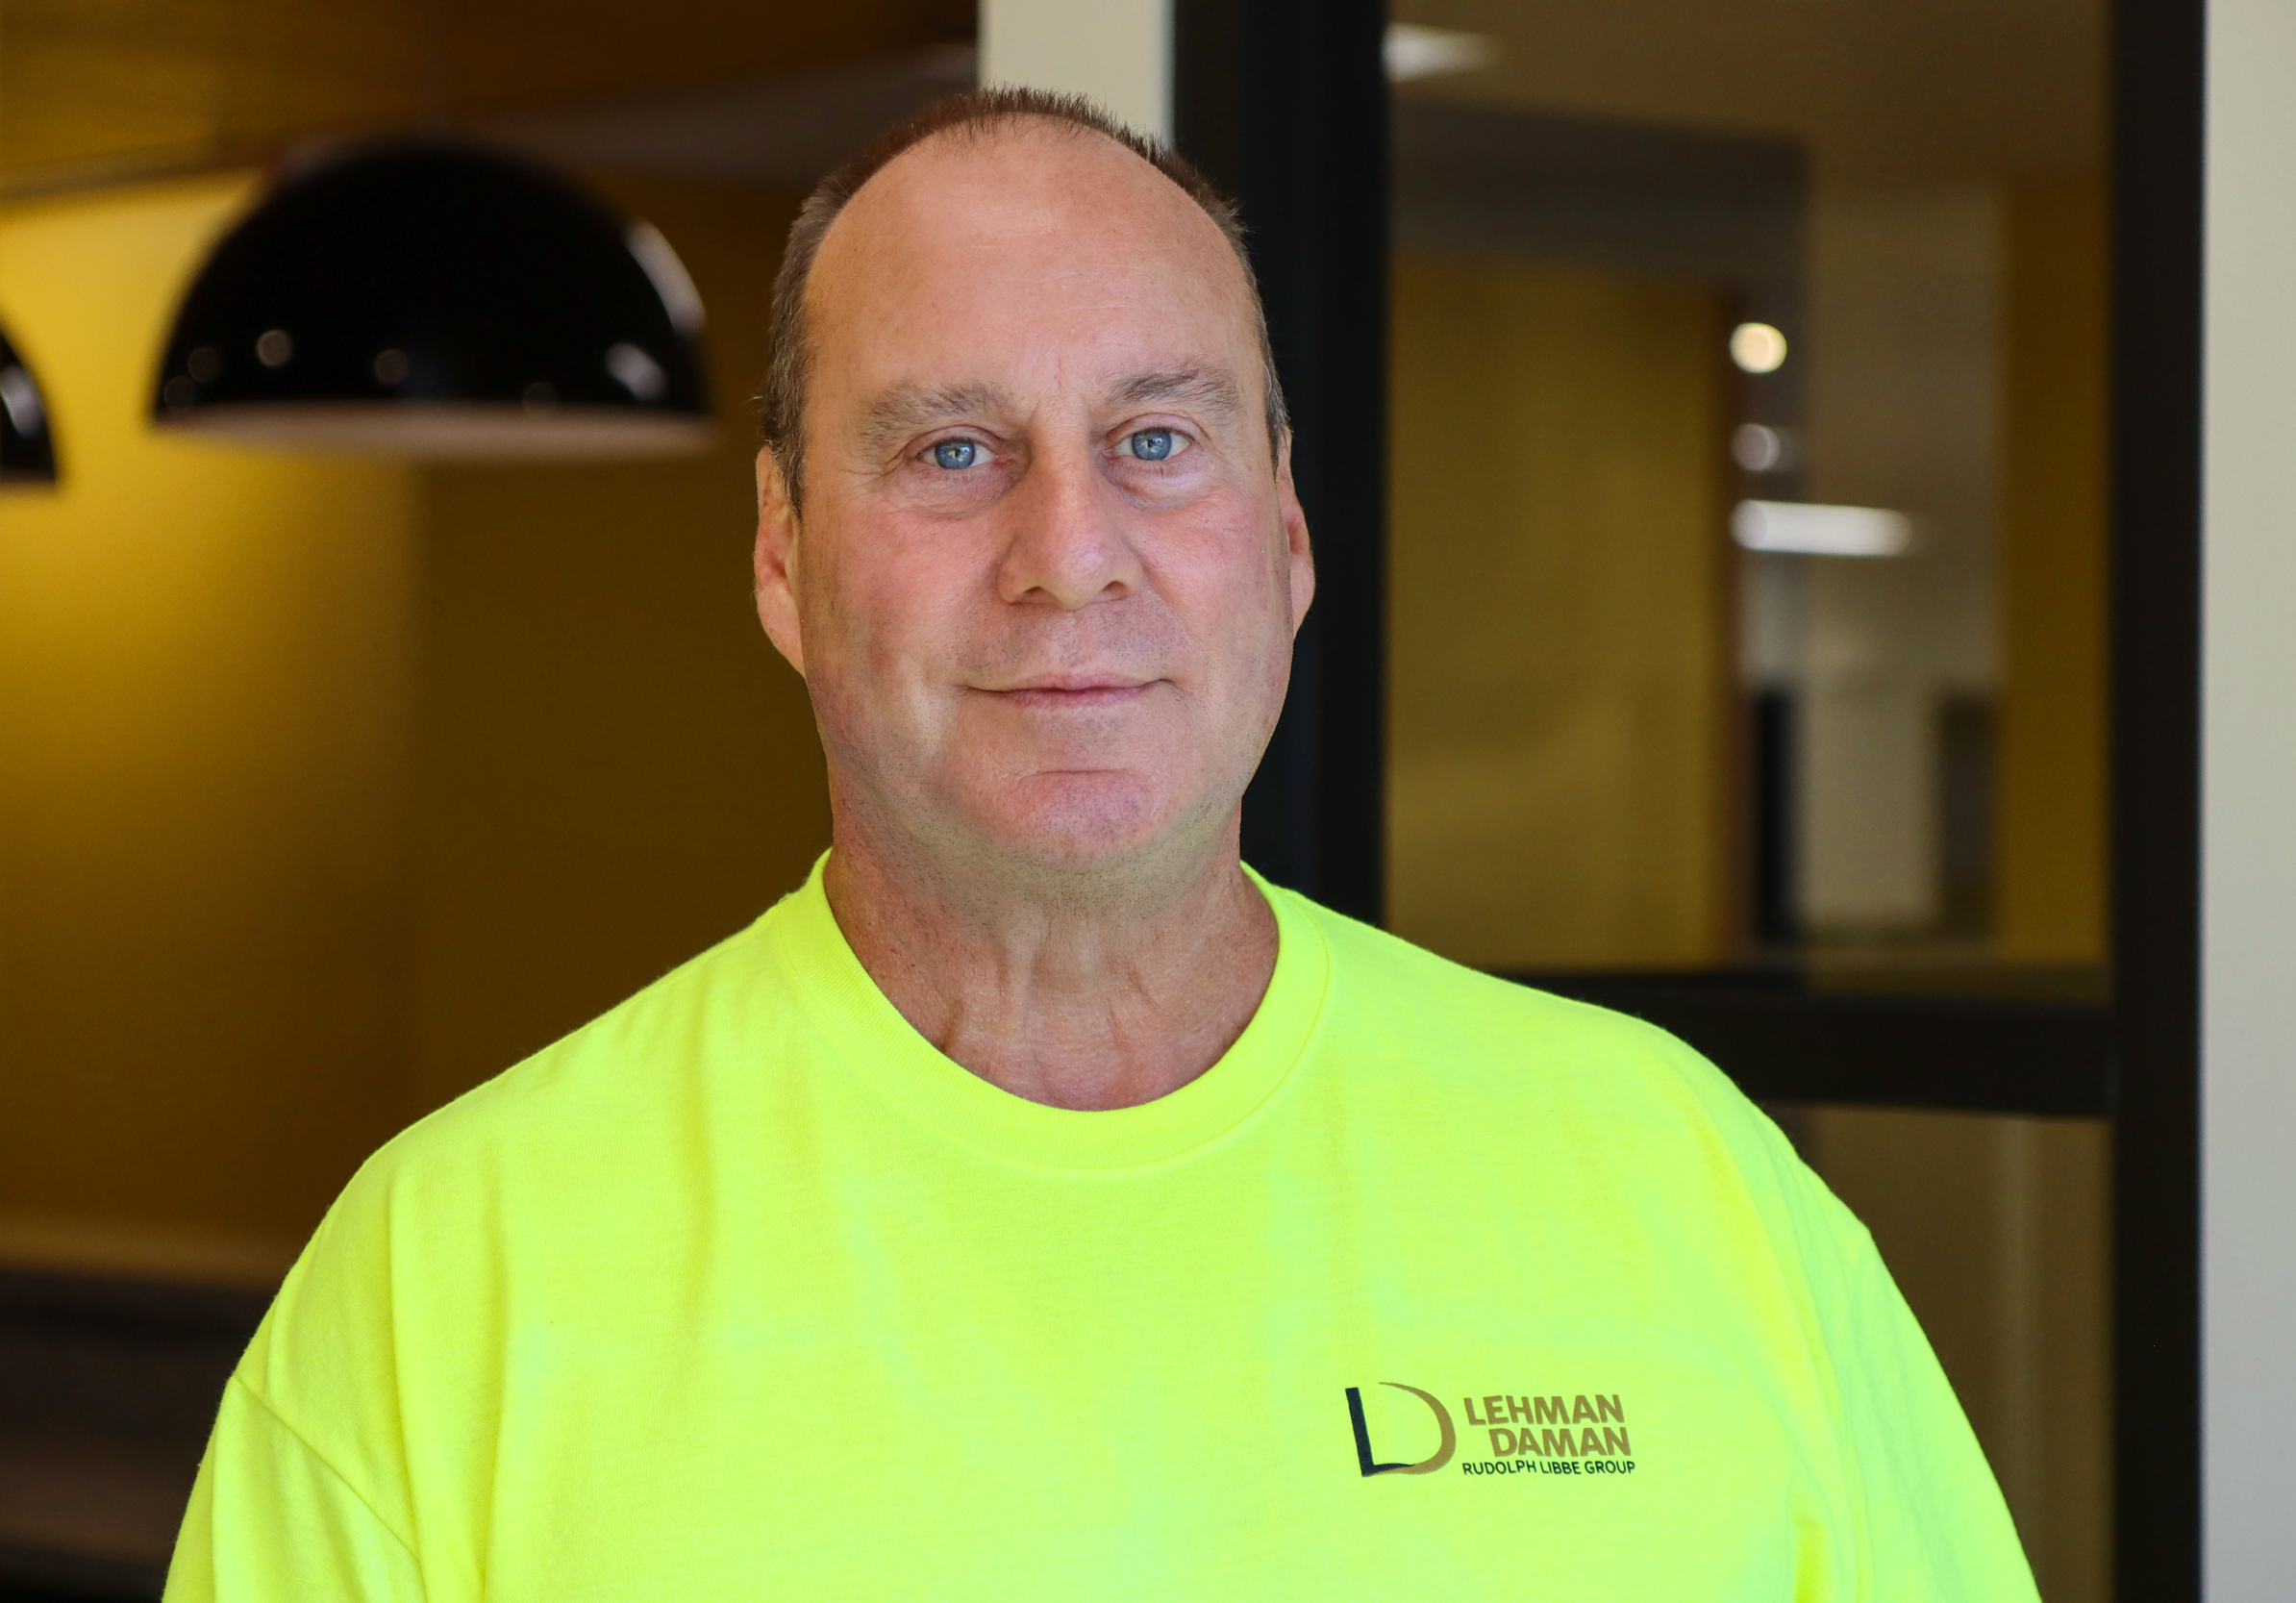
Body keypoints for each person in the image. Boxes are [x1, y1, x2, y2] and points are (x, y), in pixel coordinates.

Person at [163, 88, 2036, 1601]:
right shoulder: (448, 1278)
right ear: (782, 557)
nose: (1069, 554)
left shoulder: (1694, 1189)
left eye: (1155, 440)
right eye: (950, 452)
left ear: (1283, 542)